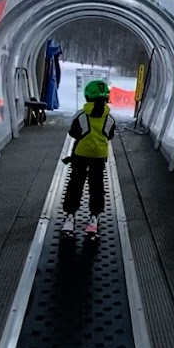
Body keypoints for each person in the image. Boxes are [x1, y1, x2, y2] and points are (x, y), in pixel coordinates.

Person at [61, 79, 117, 235]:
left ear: (87, 97)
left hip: (80, 154)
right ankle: (94, 217)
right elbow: (110, 135)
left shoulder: (80, 115)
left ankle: (70, 216)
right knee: (97, 185)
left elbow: (73, 132)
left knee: (75, 183)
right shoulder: (109, 118)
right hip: (99, 156)